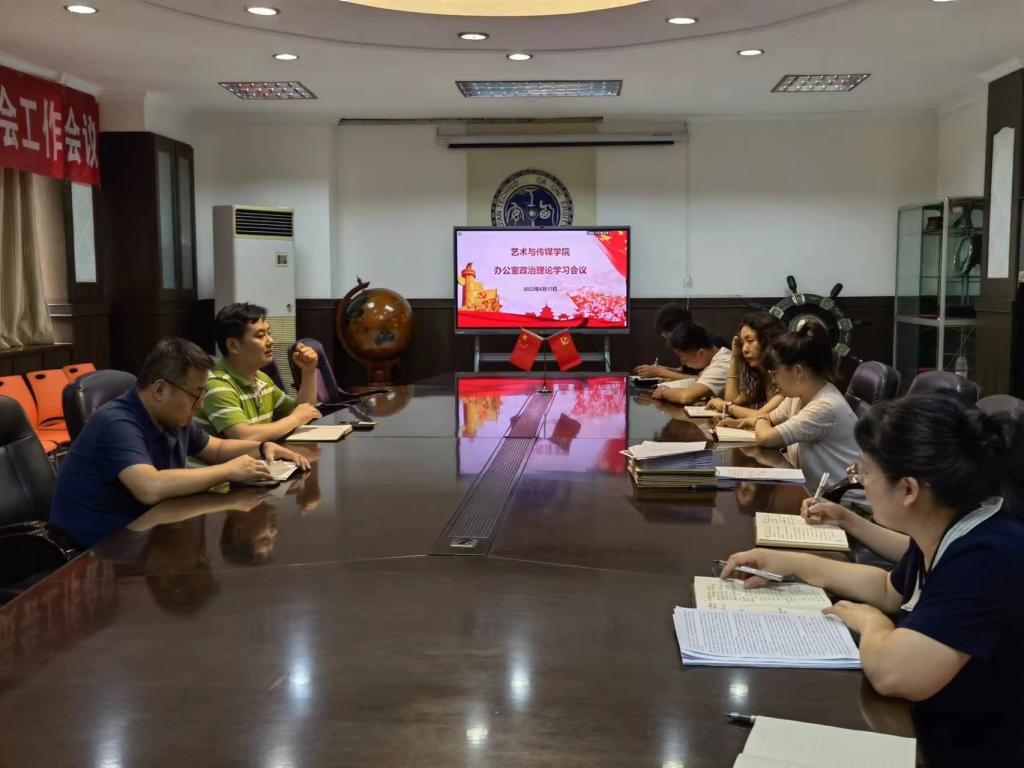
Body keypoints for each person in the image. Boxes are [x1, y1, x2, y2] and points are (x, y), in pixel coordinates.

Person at [721, 394, 1024, 767]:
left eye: (863, 471)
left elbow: (894, 674)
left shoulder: (987, 555)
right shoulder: (945, 524)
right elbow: (888, 589)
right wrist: (792, 562)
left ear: (909, 489)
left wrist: (871, 623)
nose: (859, 480)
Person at [51, 339, 311, 549]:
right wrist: (229, 470)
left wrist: (263, 448)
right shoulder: (116, 422)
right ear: (160, 390)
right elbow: (149, 486)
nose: (200, 404)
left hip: (148, 532)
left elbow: (216, 449)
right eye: (196, 395)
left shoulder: (172, 417)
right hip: (100, 553)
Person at [716, 322, 857, 491]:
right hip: (811, 490)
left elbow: (767, 437)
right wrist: (747, 422)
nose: (773, 380)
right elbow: (769, 419)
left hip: (840, 499)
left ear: (798, 372)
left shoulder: (825, 406)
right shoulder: (797, 396)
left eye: (774, 373)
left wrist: (759, 419)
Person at [195, 302, 322, 441]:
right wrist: (295, 419)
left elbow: (302, 411)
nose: (270, 341)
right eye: (260, 336)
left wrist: (308, 371)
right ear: (233, 345)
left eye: (269, 333)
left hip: (258, 454)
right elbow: (243, 436)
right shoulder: (215, 384)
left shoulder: (260, 378)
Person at [707, 312, 786, 419]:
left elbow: (760, 416)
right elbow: (732, 400)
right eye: (742, 343)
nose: (744, 349)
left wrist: (726, 407)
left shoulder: (786, 375)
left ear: (768, 341)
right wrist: (735, 357)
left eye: (750, 341)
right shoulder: (760, 375)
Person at [651, 323, 732, 406]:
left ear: (701, 353)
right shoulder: (716, 359)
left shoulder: (722, 364)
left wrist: (663, 391)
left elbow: (686, 397)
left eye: (684, 358)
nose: (682, 362)